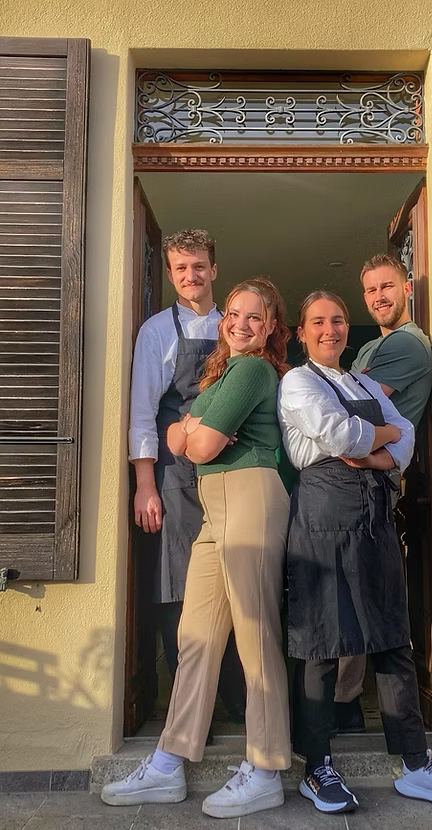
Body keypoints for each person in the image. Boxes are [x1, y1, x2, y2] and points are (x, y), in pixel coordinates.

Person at [278, 291, 432, 814]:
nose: (330, 329)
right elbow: (335, 432)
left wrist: (377, 451)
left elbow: (406, 435)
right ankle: (316, 768)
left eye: (338, 321)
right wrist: (382, 442)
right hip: (322, 520)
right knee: (322, 642)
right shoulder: (296, 381)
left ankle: (414, 763)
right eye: (317, 322)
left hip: (374, 520)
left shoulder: (362, 381)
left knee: (393, 639)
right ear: (302, 333)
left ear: (348, 328)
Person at [103, 278, 292, 819]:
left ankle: (266, 767)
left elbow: (199, 444)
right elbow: (173, 439)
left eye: (255, 317)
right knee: (196, 636)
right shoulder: (222, 371)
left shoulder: (254, 369)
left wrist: (193, 426)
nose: (239, 323)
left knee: (254, 633)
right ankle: (168, 762)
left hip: (250, 494)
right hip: (215, 505)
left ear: (272, 326)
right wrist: (193, 427)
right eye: (233, 313)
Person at [128, 228, 244, 720]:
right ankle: (193, 714)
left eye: (199, 266)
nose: (191, 276)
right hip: (173, 477)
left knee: (235, 583)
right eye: (181, 268)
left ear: (214, 270)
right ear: (171, 274)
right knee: (178, 589)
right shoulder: (156, 331)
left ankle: (241, 707)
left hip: (229, 471)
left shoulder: (234, 328)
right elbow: (141, 412)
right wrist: (145, 485)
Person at [335, 253, 432, 734]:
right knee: (347, 595)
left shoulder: (409, 347)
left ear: (407, 287)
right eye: (371, 290)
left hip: (376, 486)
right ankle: (344, 704)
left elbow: (359, 409)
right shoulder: (373, 347)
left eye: (387, 286)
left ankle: (353, 708)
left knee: (363, 601)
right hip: (353, 480)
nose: (379, 297)